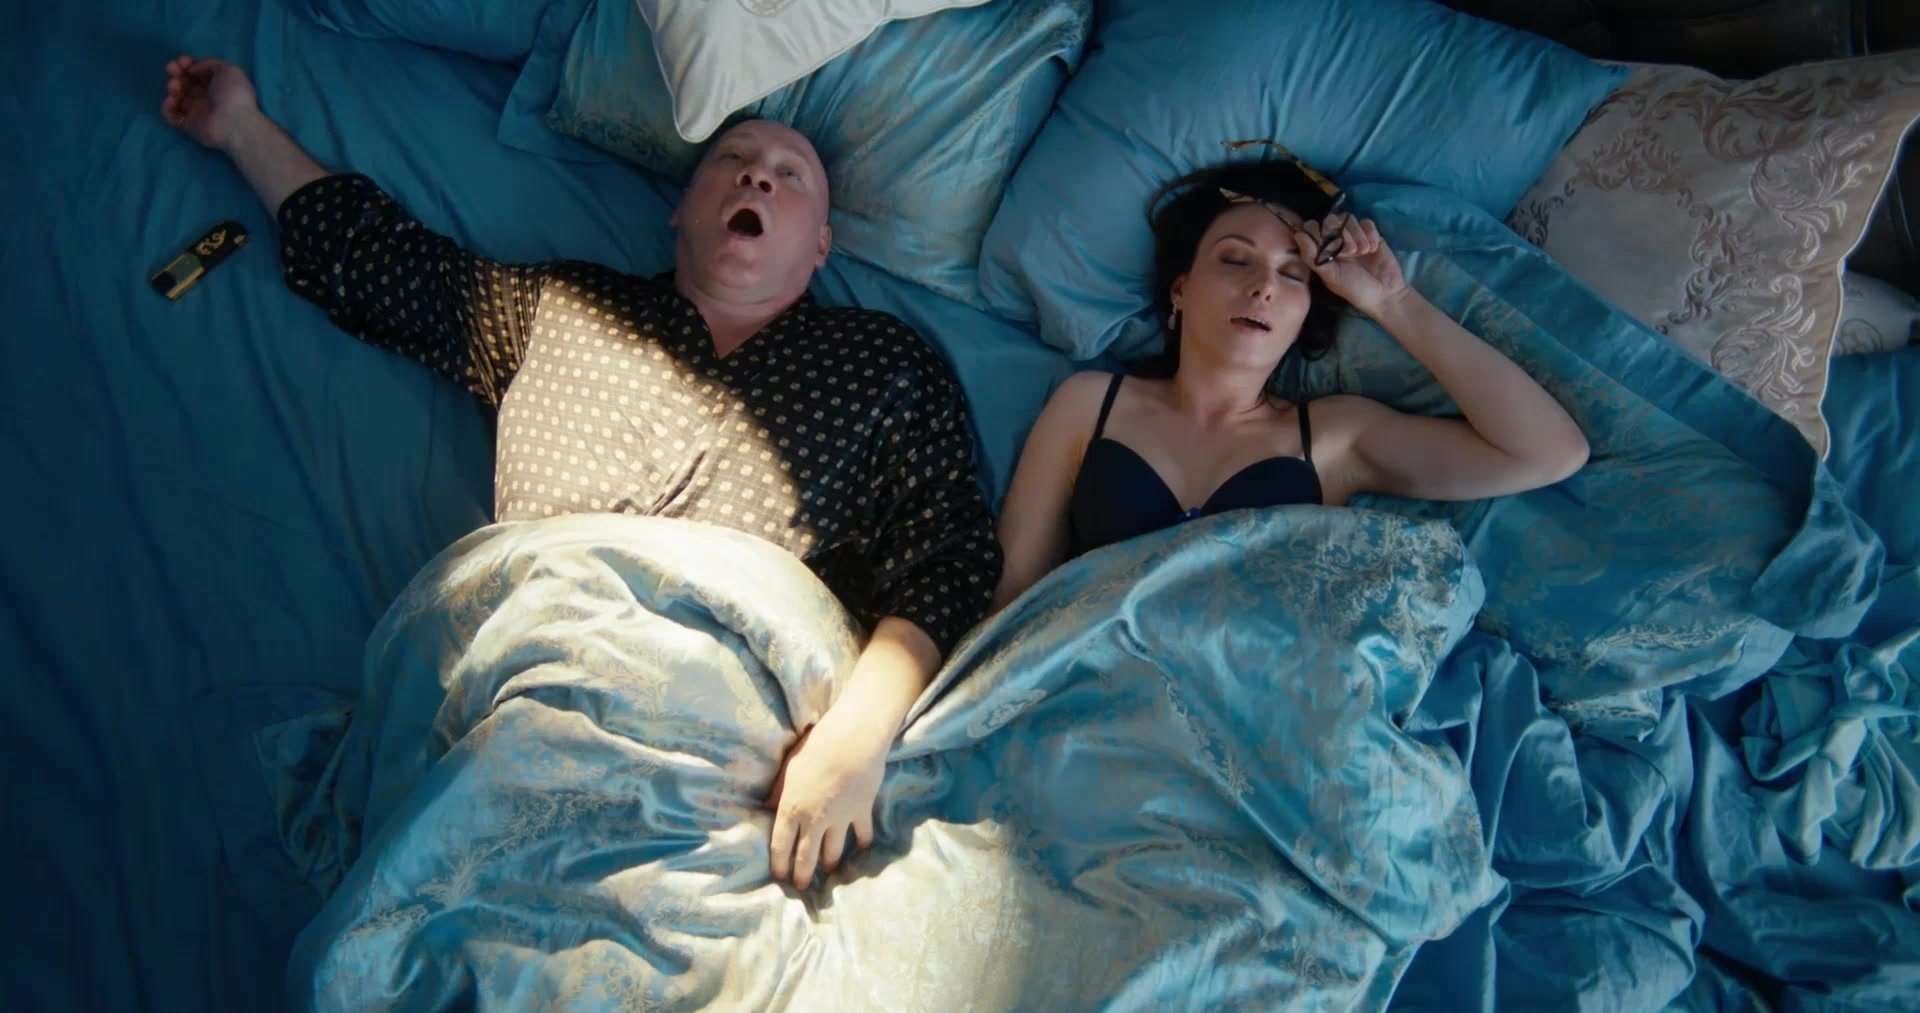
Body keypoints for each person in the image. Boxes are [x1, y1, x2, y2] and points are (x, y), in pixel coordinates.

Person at [160, 54, 1003, 889]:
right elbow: (380, 264)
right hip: (533, 691)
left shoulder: (885, 366)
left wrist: (853, 742)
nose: (758, 177)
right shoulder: (557, 311)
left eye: (792, 176)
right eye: (733, 159)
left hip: (740, 758)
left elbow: (949, 561)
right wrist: (240, 127)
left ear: (822, 245)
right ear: (680, 210)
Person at [992, 160, 1590, 609]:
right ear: (1181, 289)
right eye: (1235, 259)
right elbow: (1014, 591)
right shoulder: (1090, 404)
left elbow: (1548, 452)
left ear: (1307, 311)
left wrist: (1392, 302)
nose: (1264, 287)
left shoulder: (1333, 438)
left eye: (1293, 274)